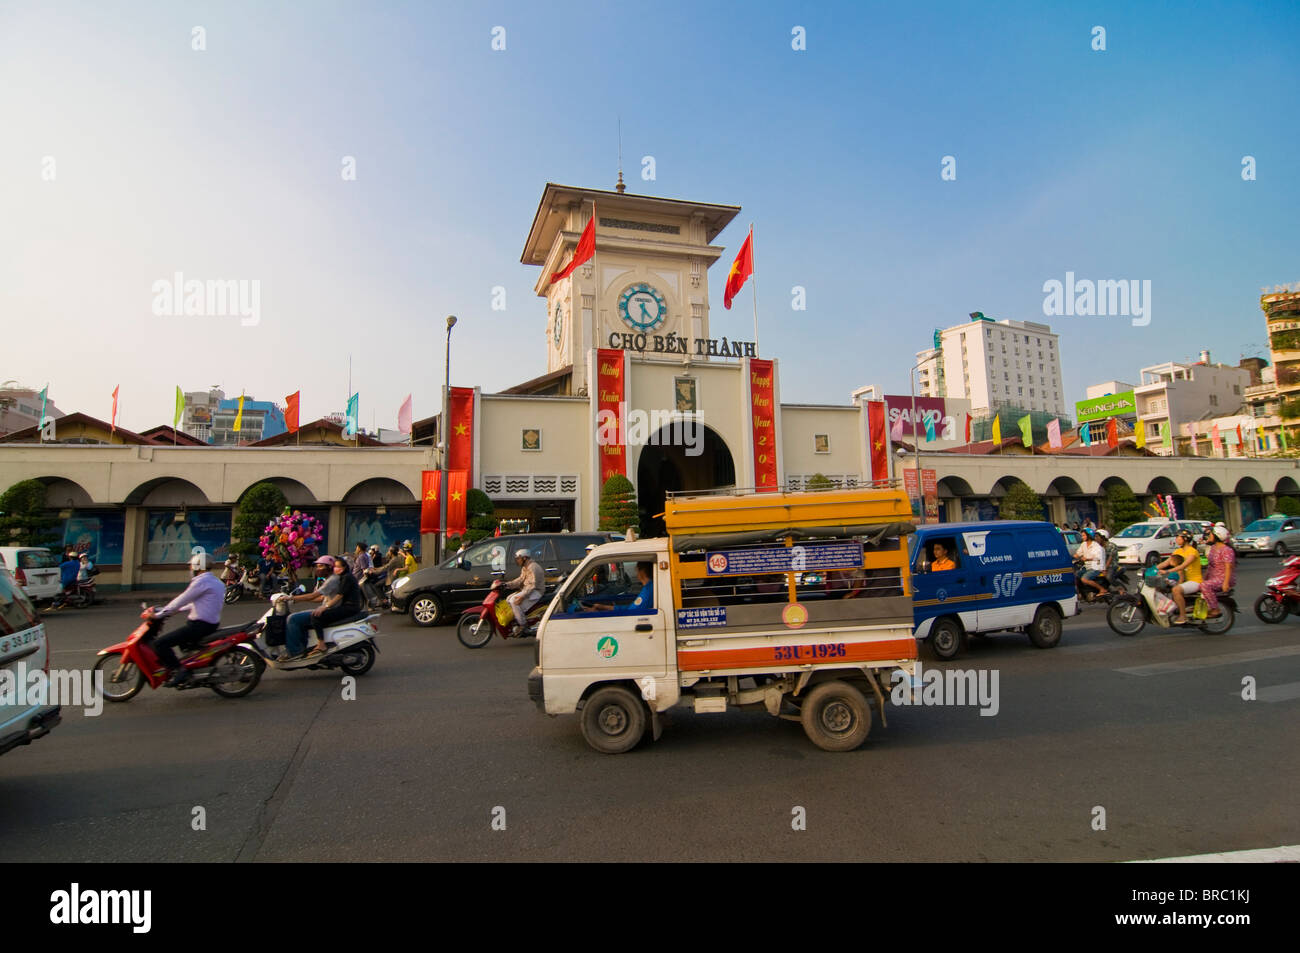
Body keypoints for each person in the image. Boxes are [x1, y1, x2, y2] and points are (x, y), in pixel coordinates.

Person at [154, 553, 226, 685]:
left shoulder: (201, 581)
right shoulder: (216, 581)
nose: (191, 569)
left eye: (192, 567)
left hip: (199, 625)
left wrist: (160, 614)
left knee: (160, 644)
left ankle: (180, 671)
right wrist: (173, 611)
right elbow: (197, 602)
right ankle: (193, 667)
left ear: (198, 566)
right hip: (210, 624)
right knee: (184, 643)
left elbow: (181, 599)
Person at [282, 556, 343, 660]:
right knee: (299, 618)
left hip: (329, 610)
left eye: (320, 566)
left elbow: (313, 595)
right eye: (317, 567)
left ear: (328, 567)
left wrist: (291, 597)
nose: (318, 569)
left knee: (292, 619)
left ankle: (295, 652)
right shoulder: (330, 579)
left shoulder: (332, 580)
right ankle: (303, 648)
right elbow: (321, 598)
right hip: (327, 608)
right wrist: (298, 600)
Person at [1157, 530, 1202, 624]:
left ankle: (1183, 616)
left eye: (1178, 537)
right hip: (1184, 580)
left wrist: (1166, 571)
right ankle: (1167, 609)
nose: (1176, 539)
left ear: (1185, 539)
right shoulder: (1178, 551)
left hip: (1195, 581)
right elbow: (1167, 562)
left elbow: (1183, 566)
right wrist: (1151, 569)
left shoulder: (1193, 552)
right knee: (1159, 587)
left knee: (1176, 590)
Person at [502, 548, 545, 633]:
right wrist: (507, 585)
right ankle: (516, 621)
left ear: (524, 558)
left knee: (514, 601)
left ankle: (523, 624)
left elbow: (532, 585)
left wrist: (522, 596)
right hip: (528, 590)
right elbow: (520, 579)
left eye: (518, 558)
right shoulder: (525, 567)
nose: (517, 561)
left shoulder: (533, 567)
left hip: (536, 591)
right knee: (508, 599)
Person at [587, 562, 654, 613]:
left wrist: (599, 613)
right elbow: (630, 608)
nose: (636, 574)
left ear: (642, 572)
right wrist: (603, 607)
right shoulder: (648, 587)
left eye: (637, 571)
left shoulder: (649, 590)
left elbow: (631, 612)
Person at [1200, 525, 1236, 620]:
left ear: (1217, 536)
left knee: (1205, 585)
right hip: (1213, 576)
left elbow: (1229, 567)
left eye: (1211, 534)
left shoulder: (1226, 550)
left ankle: (1215, 609)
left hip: (1223, 578)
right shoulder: (1213, 548)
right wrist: (1204, 577)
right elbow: (1210, 566)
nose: (1209, 536)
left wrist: (1225, 583)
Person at [1076, 529, 1106, 600]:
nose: (1082, 537)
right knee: (1076, 576)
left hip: (1095, 567)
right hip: (1086, 567)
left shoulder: (1096, 546)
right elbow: (1077, 554)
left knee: (1084, 579)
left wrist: (1087, 559)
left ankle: (1102, 589)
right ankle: (1082, 593)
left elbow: (1098, 557)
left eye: (1083, 535)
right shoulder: (1083, 544)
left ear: (1089, 536)